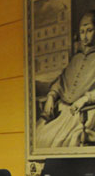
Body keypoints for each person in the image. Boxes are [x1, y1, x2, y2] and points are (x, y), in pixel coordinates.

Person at [36, 10, 95, 147]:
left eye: (89, 30)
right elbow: (61, 81)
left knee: (62, 140)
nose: (85, 36)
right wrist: (51, 96)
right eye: (82, 32)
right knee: (40, 134)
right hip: (64, 111)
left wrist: (85, 99)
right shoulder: (76, 59)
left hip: (84, 111)